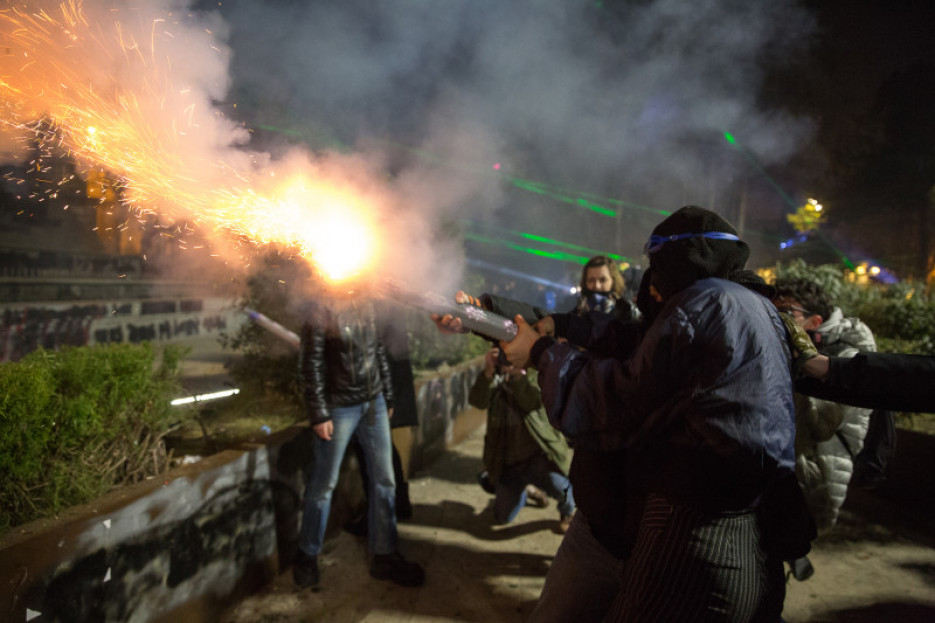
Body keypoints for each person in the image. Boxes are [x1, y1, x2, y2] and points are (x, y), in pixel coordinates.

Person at [498, 206, 802, 621]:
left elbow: (620, 399)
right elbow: (640, 339)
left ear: (684, 258)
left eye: (658, 264)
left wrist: (539, 354)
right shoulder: (747, 304)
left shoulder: (702, 306)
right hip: (745, 527)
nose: (653, 282)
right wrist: (560, 325)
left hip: (694, 532)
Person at [294, 283, 425, 589]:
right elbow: (310, 363)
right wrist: (319, 413)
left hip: (373, 403)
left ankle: (385, 555)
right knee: (323, 485)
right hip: (340, 407)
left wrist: (387, 396)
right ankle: (307, 555)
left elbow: (377, 351)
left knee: (385, 482)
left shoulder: (367, 301)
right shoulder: (321, 306)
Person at [774, 278, 875, 533]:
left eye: (786, 313)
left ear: (816, 321)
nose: (777, 320)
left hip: (817, 475)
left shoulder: (847, 357)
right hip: (789, 471)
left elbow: (820, 426)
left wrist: (798, 366)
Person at [468, 346, 575, 532]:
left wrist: (518, 377)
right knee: (502, 517)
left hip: (538, 459)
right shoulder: (494, 380)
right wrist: (487, 373)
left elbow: (533, 402)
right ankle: (528, 491)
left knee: (563, 488)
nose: (507, 360)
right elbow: (477, 401)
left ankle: (567, 514)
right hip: (509, 464)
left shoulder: (535, 374)